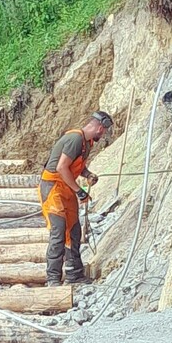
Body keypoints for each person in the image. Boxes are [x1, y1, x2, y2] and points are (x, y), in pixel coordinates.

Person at [38, 111, 113, 287]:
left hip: (66, 188)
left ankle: (74, 274)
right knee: (58, 231)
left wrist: (87, 174)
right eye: (103, 132)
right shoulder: (75, 139)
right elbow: (62, 167)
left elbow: (77, 165)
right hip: (53, 188)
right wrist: (79, 191)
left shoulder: (86, 143)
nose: (102, 136)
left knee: (74, 231)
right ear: (100, 128)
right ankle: (53, 278)